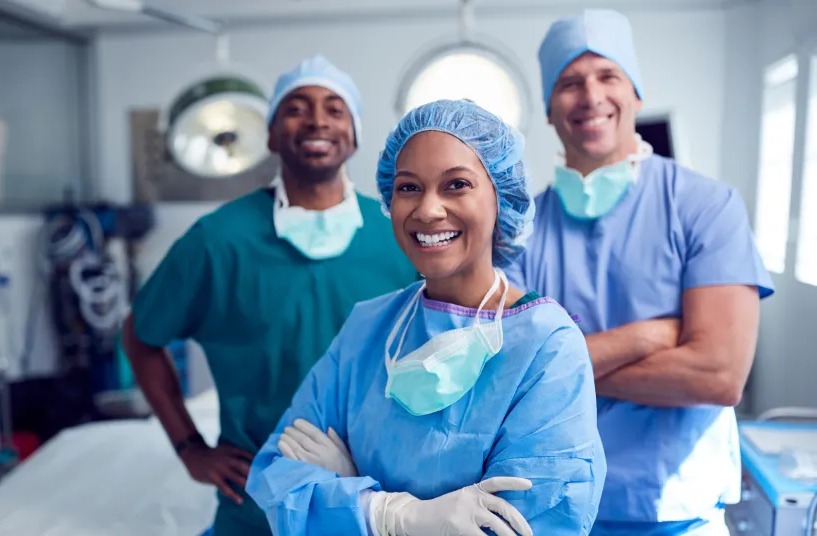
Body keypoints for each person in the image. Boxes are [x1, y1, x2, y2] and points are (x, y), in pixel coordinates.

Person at [246, 99, 606, 536]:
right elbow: (277, 475)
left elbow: (530, 527)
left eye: (456, 184)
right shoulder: (369, 327)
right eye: (408, 187)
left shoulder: (546, 345)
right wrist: (391, 514)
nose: (428, 210)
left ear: (501, 197)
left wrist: (348, 495)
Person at [121, 55, 417, 536]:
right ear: (272, 134)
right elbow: (140, 335)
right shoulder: (218, 240)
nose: (317, 119)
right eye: (297, 108)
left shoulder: (399, 235)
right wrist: (188, 447)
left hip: (379, 502)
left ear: (356, 133)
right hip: (256, 511)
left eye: (335, 108)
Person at [504, 9, 775, 536]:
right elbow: (510, 376)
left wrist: (564, 368)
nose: (590, 96)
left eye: (608, 76)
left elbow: (718, 375)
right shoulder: (519, 234)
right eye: (569, 82)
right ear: (547, 109)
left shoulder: (705, 205)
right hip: (554, 506)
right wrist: (647, 336)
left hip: (678, 508)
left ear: (636, 93)